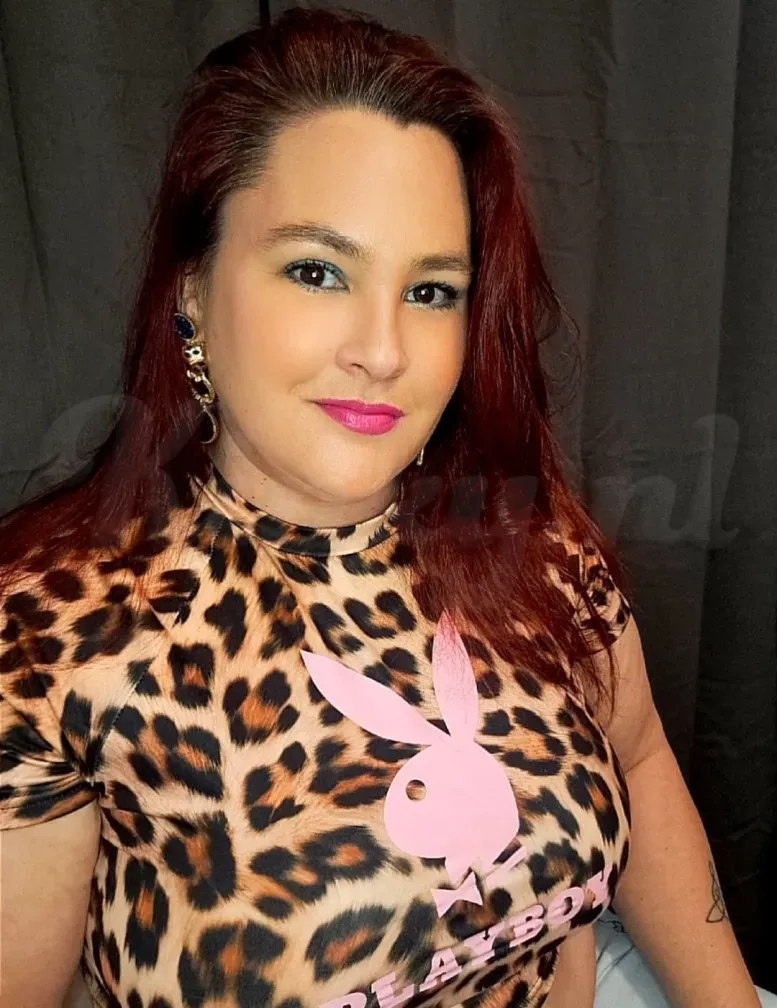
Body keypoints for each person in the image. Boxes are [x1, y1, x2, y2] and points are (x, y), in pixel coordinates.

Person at [0, 7, 775, 1008]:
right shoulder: (53, 636)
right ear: (192, 288)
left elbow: (639, 756)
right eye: (317, 271)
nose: (383, 350)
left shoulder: (525, 539)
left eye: (432, 290)